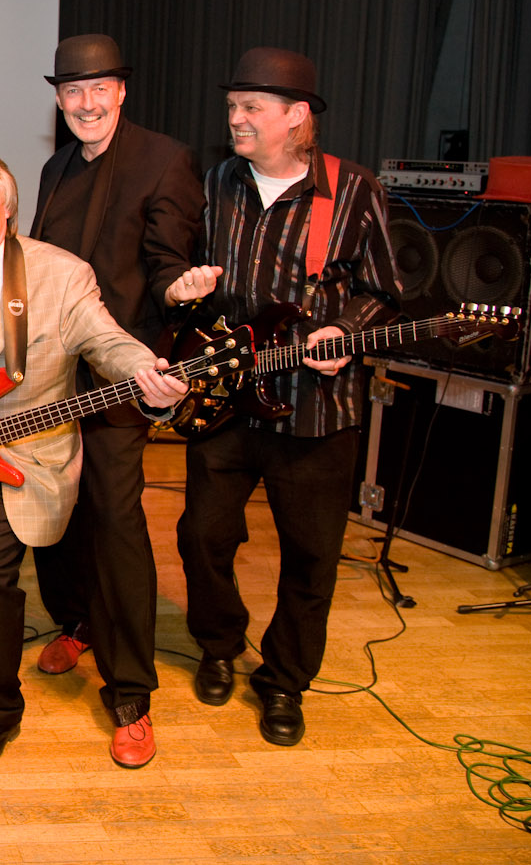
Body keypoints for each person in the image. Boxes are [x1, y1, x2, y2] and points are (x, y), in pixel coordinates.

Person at [0, 151, 188, 770]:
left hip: (31, 455)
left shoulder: (61, 275)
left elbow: (106, 340)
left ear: (8, 209)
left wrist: (147, 372)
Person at [171, 47, 400, 747]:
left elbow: (386, 291)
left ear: (296, 115)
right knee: (202, 536)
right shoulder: (218, 182)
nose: (235, 119)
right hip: (227, 402)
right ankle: (218, 645)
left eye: (251, 108)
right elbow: (201, 281)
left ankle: (283, 681)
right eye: (232, 107)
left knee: (310, 557)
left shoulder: (353, 190)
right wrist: (188, 295)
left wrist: (345, 329)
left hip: (316, 412)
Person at [22, 35, 204, 767]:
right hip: (54, 377)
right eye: (72, 91)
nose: (86, 103)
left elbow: (166, 263)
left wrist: (178, 289)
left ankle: (131, 693)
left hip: (121, 376)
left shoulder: (164, 160)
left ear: (121, 91)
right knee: (56, 508)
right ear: (59, 100)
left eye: (99, 88)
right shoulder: (55, 167)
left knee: (116, 520)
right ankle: (77, 623)